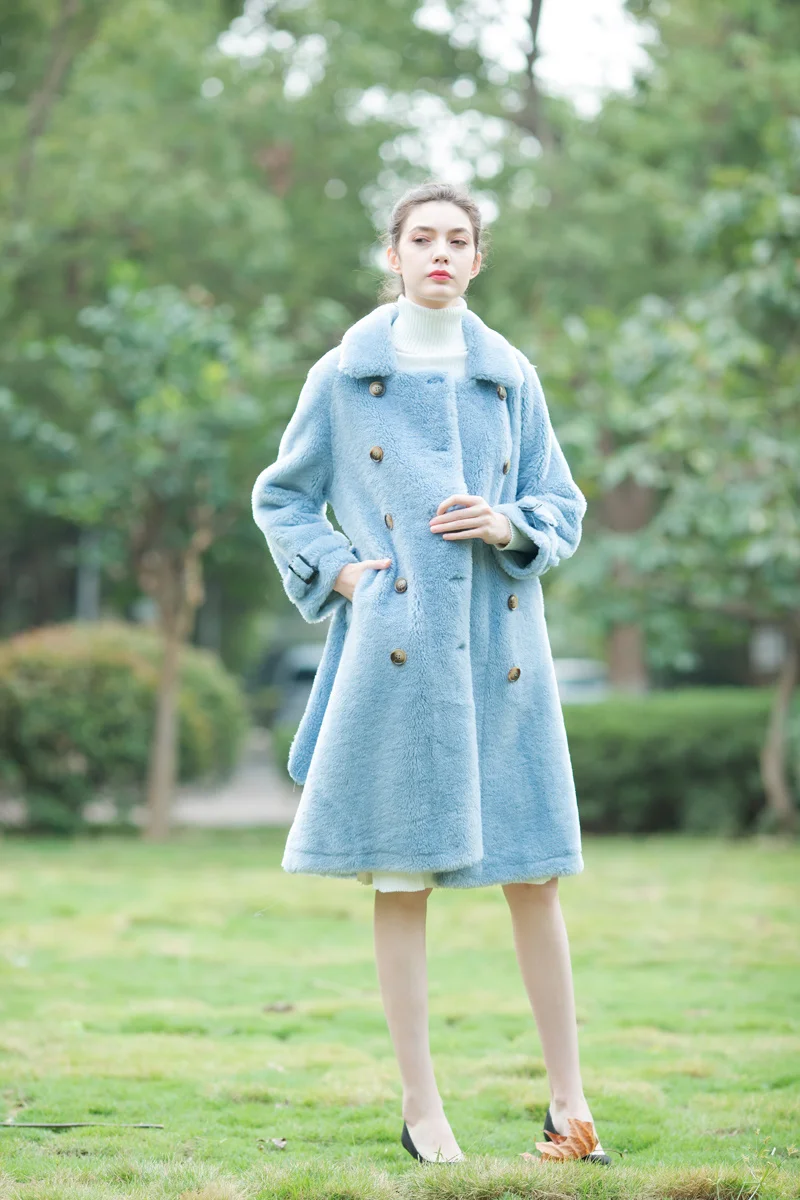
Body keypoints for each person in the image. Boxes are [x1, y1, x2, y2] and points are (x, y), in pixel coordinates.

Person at [251, 180, 609, 1166]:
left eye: (457, 238)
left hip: (503, 656)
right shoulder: (343, 375)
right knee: (401, 878)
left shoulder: (509, 374)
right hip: (399, 657)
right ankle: (422, 1110)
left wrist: (510, 523)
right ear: (395, 254)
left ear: (477, 259)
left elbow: (560, 503)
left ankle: (569, 1106)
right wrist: (343, 574)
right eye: (422, 238)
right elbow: (283, 499)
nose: (439, 252)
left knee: (534, 876)